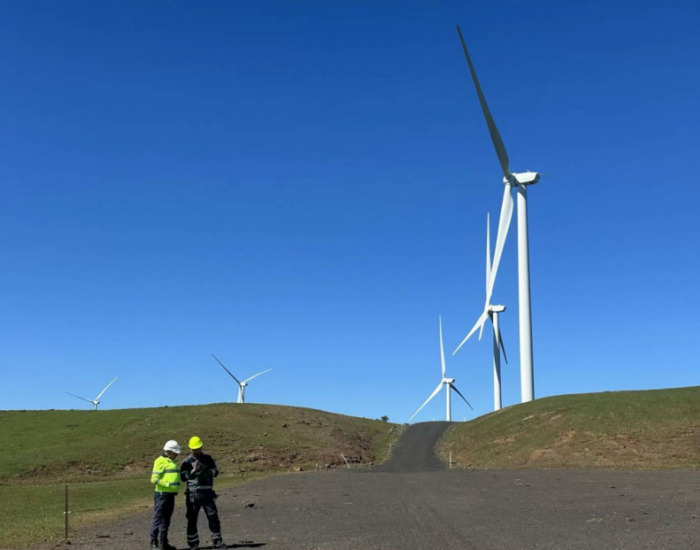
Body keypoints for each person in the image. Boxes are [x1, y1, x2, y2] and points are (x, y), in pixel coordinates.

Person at [180, 436, 225, 549]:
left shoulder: (208, 459)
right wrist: (193, 472)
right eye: (194, 449)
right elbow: (183, 477)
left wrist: (209, 472)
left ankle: (217, 541)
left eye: (198, 448)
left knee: (213, 516)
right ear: (190, 449)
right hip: (193, 493)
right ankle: (193, 543)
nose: (196, 451)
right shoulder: (186, 462)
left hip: (207, 493)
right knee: (192, 518)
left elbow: (216, 471)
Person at [150, 440, 182, 550]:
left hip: (170, 495)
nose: (177, 454)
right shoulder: (160, 461)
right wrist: (167, 485)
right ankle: (153, 542)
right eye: (175, 452)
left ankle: (163, 542)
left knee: (166, 520)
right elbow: (154, 479)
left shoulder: (172, 461)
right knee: (158, 518)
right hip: (162, 495)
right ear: (168, 451)